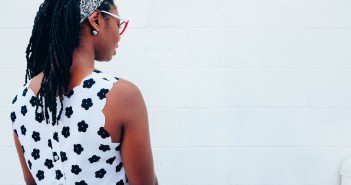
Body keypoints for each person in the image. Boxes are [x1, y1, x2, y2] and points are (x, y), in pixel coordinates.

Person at [9, 0, 158, 184]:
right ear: (96, 20)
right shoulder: (120, 95)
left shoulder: (20, 103)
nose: (119, 36)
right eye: (118, 24)